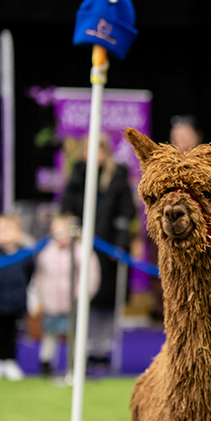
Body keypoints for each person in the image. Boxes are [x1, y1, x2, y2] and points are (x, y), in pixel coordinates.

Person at [60, 135, 135, 367]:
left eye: (100, 150)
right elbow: (67, 210)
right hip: (83, 248)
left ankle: (103, 348)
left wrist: (120, 246)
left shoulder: (118, 177)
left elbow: (126, 214)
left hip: (109, 248)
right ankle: (86, 346)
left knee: (107, 300)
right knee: (84, 298)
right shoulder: (76, 176)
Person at [27, 214, 100, 376]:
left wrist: (82, 295)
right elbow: (39, 277)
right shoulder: (46, 253)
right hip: (51, 302)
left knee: (75, 334)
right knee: (50, 333)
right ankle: (46, 362)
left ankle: (77, 364)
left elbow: (91, 276)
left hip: (73, 303)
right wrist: (38, 297)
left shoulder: (83, 252)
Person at [0, 215, 34, 381]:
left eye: (6, 230)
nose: (1, 234)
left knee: (12, 332)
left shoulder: (25, 254)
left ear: (19, 233)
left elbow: (29, 272)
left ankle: (10, 360)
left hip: (15, 301)